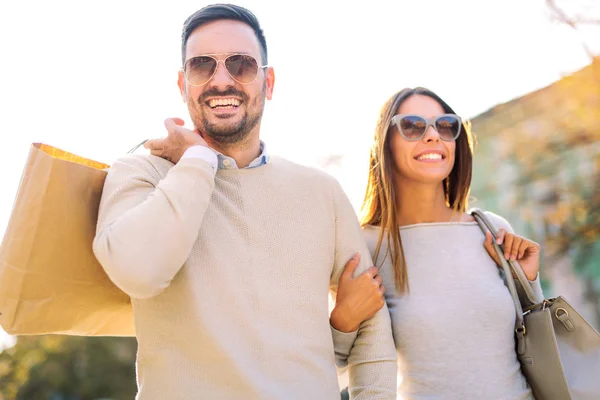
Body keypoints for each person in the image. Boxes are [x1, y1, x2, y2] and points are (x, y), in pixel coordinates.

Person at [92, 4, 397, 399]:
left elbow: (372, 329)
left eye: (242, 65)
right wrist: (199, 160)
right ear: (183, 85)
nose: (222, 81)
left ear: (267, 82)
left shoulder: (322, 192)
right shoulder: (141, 174)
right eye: (203, 66)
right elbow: (137, 270)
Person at [331, 87, 545, 399]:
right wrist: (343, 320)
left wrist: (527, 281)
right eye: (413, 126)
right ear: (384, 142)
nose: (433, 136)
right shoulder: (363, 246)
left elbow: (536, 342)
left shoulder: (492, 230)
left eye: (445, 125)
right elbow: (327, 370)